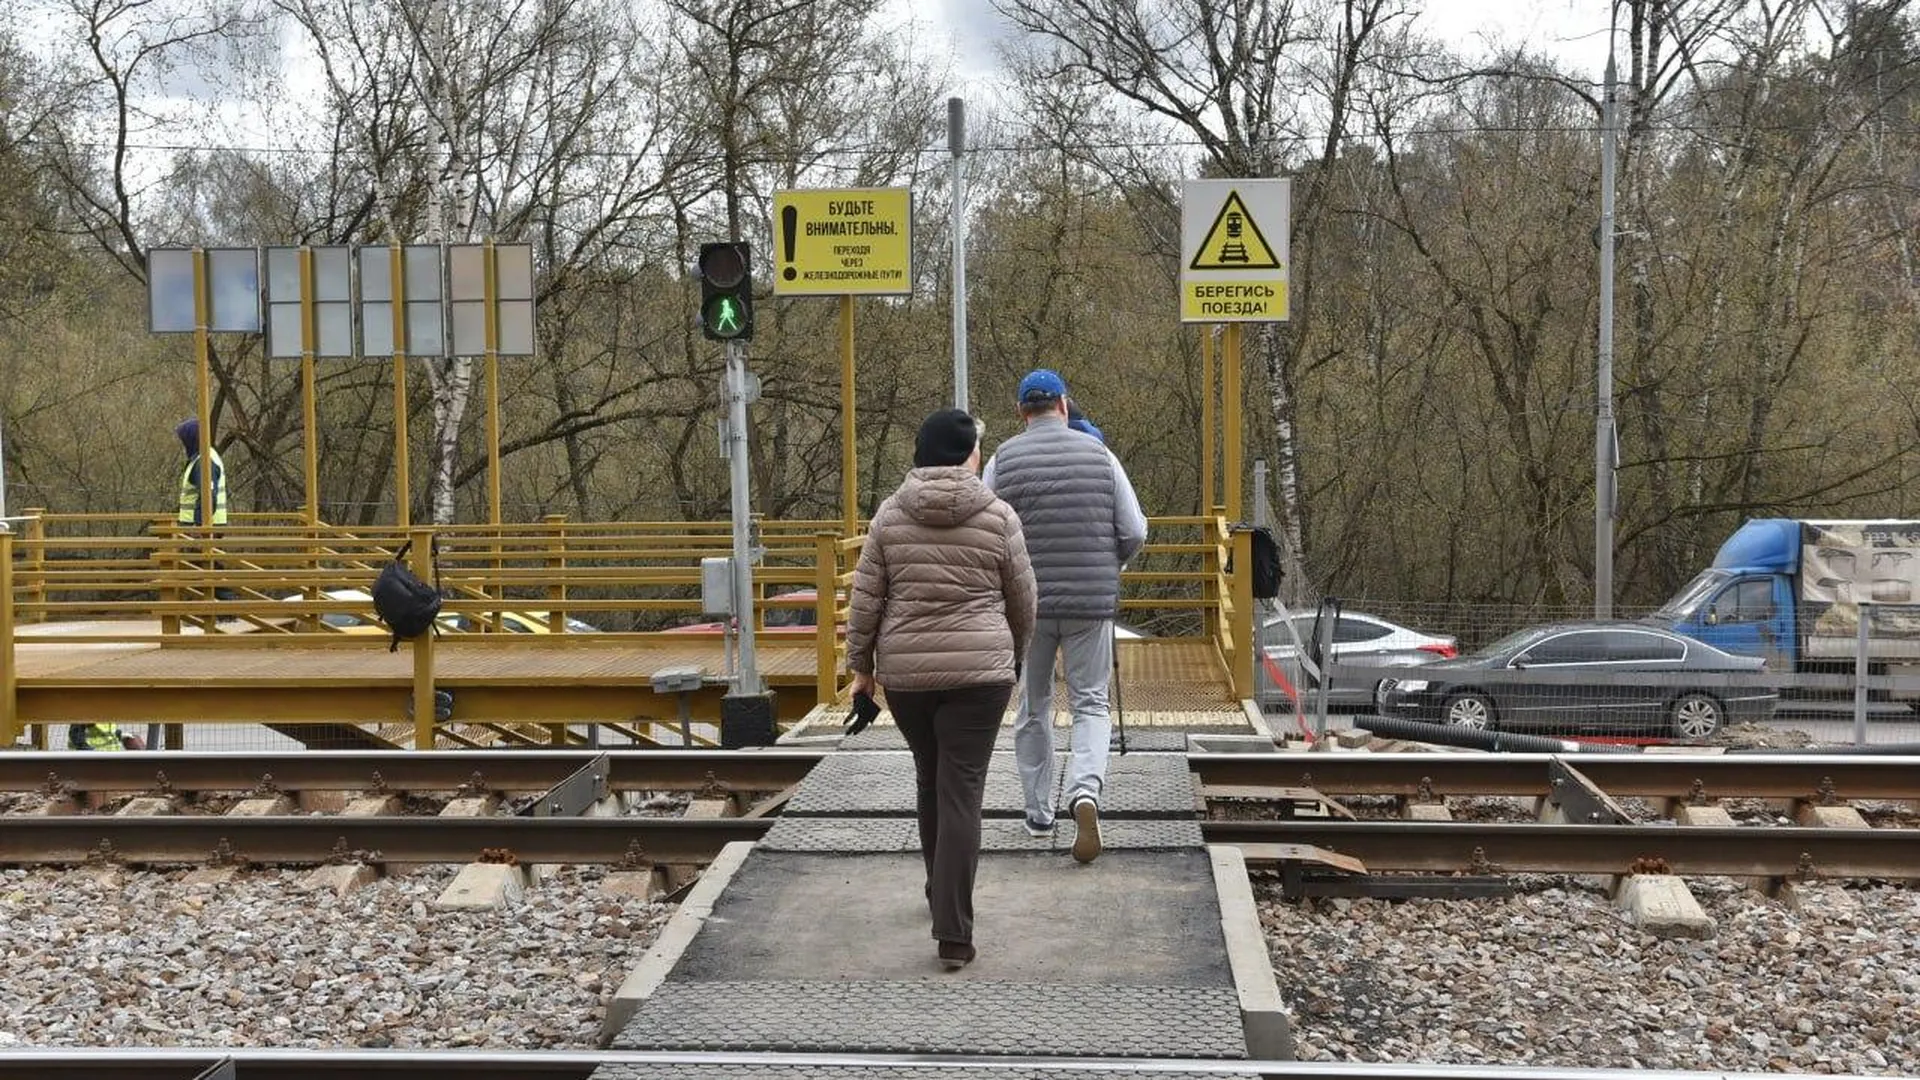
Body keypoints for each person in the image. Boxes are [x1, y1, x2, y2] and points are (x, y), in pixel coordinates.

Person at [846, 408, 1036, 971]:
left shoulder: (888, 516)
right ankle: (953, 930)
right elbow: (1024, 600)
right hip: (981, 676)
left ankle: (939, 890)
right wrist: (1014, 657)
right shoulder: (998, 516)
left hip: (907, 676)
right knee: (961, 791)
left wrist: (862, 670)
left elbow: (865, 601)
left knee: (931, 780)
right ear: (967, 455)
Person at [983, 369, 1147, 864]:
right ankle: (1085, 794)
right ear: (1065, 404)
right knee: (1091, 703)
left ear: (1021, 412)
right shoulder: (1100, 455)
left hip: (1026, 605)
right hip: (1089, 601)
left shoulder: (1002, 459)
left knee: (1033, 704)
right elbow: (1135, 529)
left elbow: (986, 527)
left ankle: (1037, 813)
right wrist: (1108, 561)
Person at [175, 418, 227, 530]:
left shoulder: (204, 461)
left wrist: (199, 525)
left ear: (192, 439)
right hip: (202, 527)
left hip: (202, 529)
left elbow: (208, 495)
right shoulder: (202, 458)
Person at [68, 722, 143, 750]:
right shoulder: (89, 709)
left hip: (109, 760)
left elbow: (104, 732)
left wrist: (120, 735)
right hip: (93, 761)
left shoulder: (108, 710)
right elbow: (75, 735)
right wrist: (89, 753)